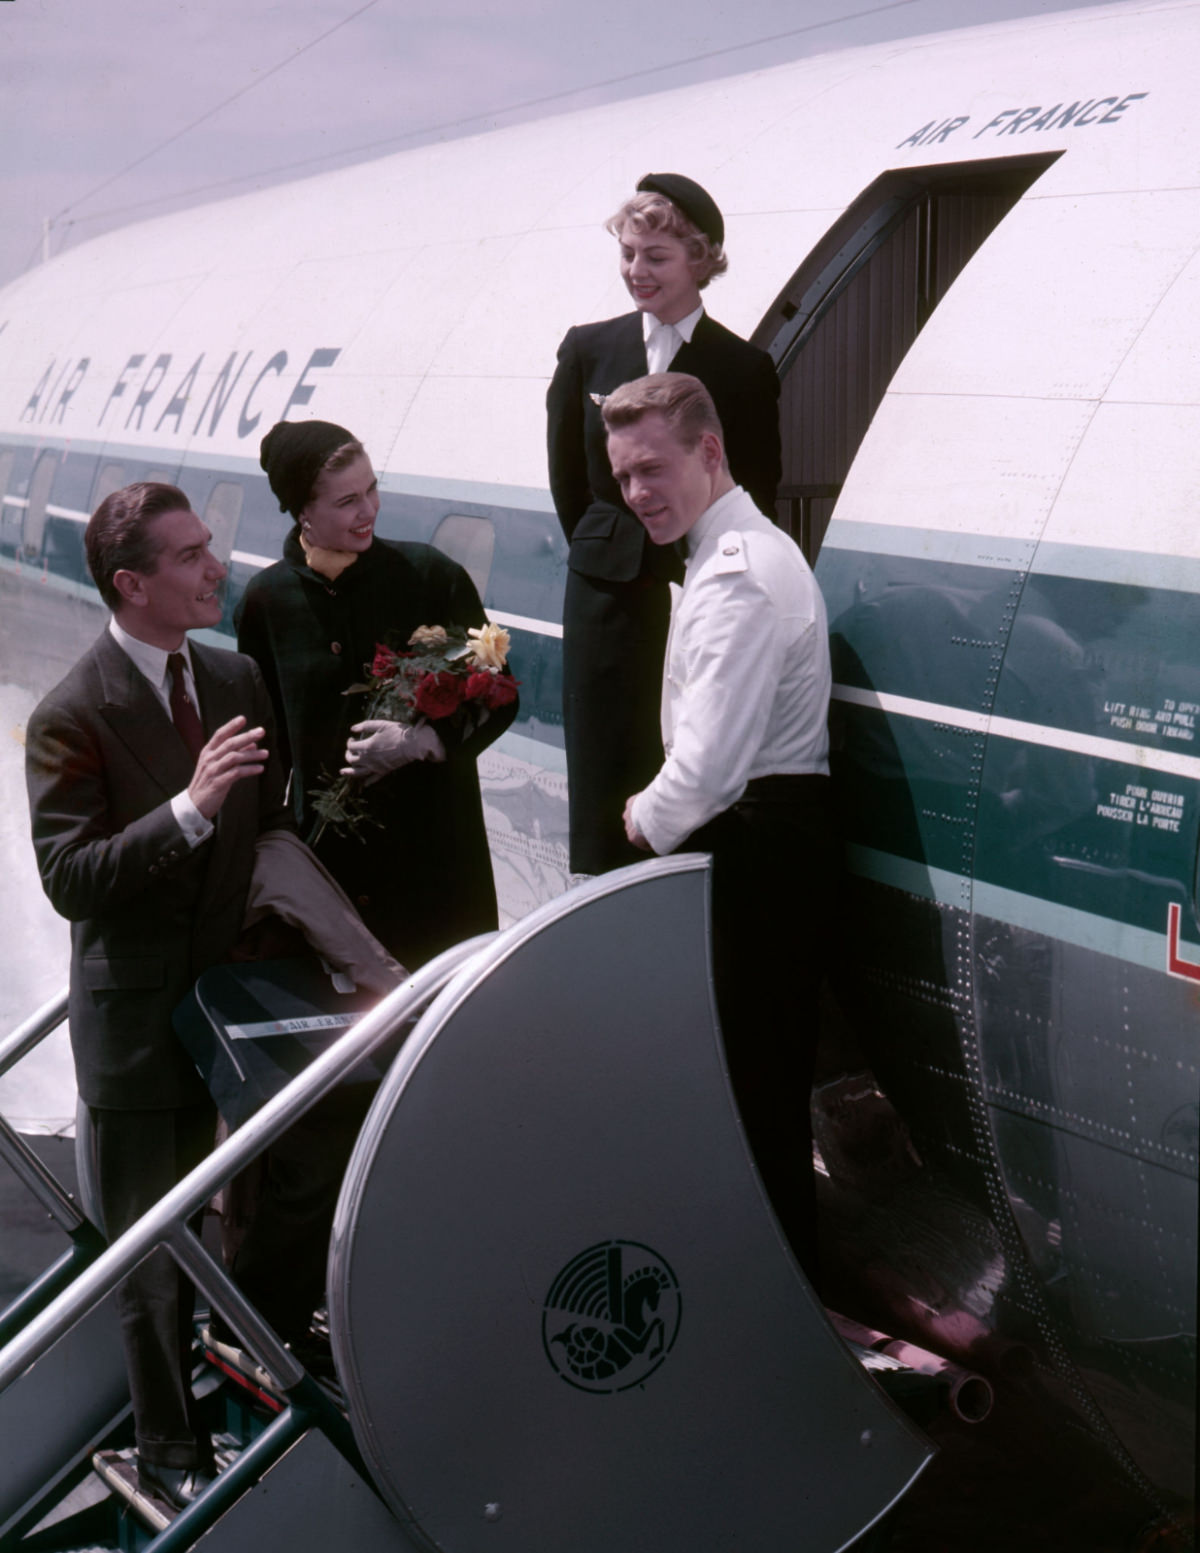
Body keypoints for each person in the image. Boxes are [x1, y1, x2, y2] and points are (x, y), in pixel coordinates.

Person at [25, 482, 289, 1510]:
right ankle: (170, 1451)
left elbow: (273, 828)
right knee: (149, 1256)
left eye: (207, 547)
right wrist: (189, 807)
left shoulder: (234, 677)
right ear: (132, 584)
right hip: (138, 1029)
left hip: (236, 1010)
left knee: (254, 1216)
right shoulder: (72, 714)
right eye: (188, 557)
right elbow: (71, 878)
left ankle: (247, 1400)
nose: (215, 567)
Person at [606, 373, 837, 1282]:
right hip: (767, 843)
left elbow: (705, 771)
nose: (637, 495)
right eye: (624, 478)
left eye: (652, 469)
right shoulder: (729, 551)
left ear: (710, 451)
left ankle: (776, 1313)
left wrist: (640, 819)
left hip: (758, 849)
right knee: (753, 1095)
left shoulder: (739, 574)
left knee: (753, 1101)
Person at [547, 172, 782, 875]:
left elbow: (757, 486)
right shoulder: (588, 349)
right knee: (606, 760)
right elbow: (572, 483)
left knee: (691, 746)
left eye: (656, 257)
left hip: (699, 582)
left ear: (701, 260)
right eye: (628, 254)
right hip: (610, 594)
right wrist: (611, 552)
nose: (636, 271)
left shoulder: (743, 367)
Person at [236, 419, 516, 971]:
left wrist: (422, 742)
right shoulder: (266, 603)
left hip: (436, 864)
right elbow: (267, 751)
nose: (368, 511)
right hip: (329, 874)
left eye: (371, 490)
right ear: (302, 512)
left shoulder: (430, 577)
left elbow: (500, 696)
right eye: (346, 501)